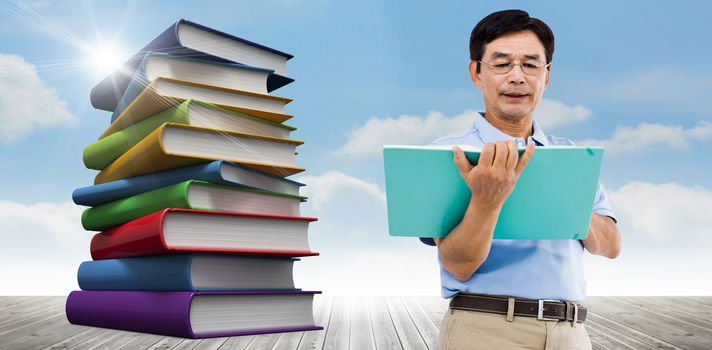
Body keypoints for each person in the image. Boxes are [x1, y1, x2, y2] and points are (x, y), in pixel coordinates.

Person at [421, 9, 622, 350]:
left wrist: (556, 200)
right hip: (486, 330)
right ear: (476, 72)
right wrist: (487, 200)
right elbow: (458, 263)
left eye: (530, 64)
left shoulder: (572, 156)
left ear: (547, 75)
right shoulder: (447, 155)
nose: (517, 77)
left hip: (571, 330)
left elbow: (611, 244)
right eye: (501, 64)